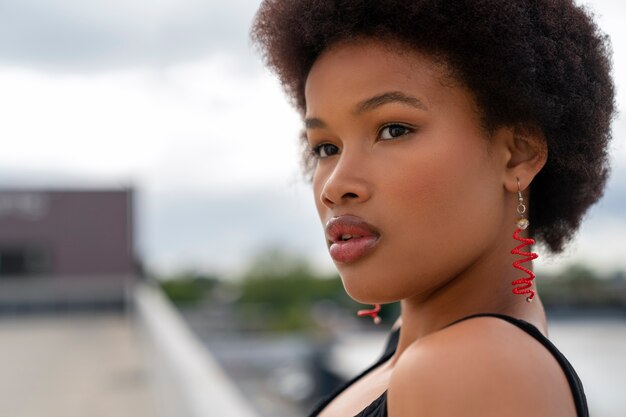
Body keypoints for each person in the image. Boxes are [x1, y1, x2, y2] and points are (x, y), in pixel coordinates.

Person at [250, 1, 614, 416]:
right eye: (326, 148)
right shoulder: (418, 350)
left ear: (518, 155)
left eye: (393, 130)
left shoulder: (470, 369)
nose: (334, 187)